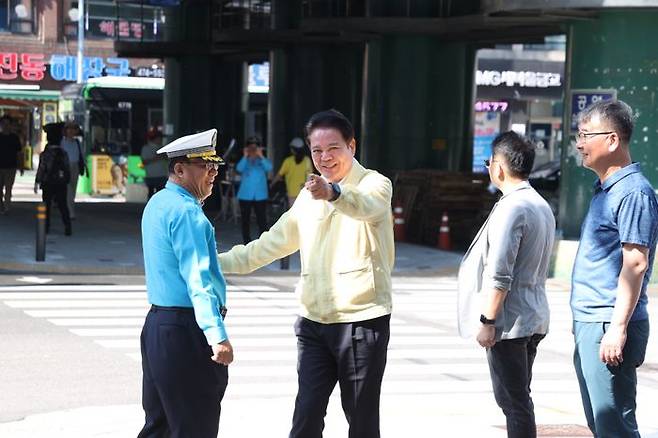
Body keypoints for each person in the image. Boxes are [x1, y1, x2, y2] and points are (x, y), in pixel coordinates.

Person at [219, 109, 394, 438]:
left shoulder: (375, 184)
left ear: (351, 146)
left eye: (333, 148)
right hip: (314, 322)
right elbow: (271, 244)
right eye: (317, 151)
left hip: (360, 320)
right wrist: (216, 264)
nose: (324, 157)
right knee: (306, 417)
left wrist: (335, 193)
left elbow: (369, 207)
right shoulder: (308, 196)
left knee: (362, 420)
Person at [457, 131, 555, 438]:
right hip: (533, 315)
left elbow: (500, 272)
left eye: (489, 162)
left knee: (513, 403)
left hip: (511, 323)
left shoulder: (512, 207)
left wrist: (488, 321)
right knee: (519, 397)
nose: (489, 168)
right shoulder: (539, 203)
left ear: (499, 166)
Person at [570, 99, 658, 438]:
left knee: (615, 427)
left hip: (609, 322)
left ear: (611, 140)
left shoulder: (633, 193)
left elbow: (635, 263)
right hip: (595, 320)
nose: (579, 144)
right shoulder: (609, 189)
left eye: (585, 134)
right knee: (602, 424)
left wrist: (616, 328)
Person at [138, 128, 232, 438]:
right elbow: (198, 279)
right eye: (206, 166)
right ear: (180, 169)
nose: (214, 172)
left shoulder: (158, 203)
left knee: (159, 426)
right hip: (186, 330)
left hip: (158, 326)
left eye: (215, 165)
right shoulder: (187, 213)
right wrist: (216, 334)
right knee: (194, 427)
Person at [35, 122, 72, 236]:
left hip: (48, 182)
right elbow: (67, 168)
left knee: (46, 205)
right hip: (61, 182)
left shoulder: (46, 154)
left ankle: (45, 227)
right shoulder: (63, 153)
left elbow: (42, 169)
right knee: (62, 205)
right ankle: (67, 226)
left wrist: (37, 181)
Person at [235, 135, 272, 244]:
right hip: (245, 195)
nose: (253, 150)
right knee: (245, 220)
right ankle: (246, 241)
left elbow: (269, 168)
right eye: (250, 147)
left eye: (255, 147)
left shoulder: (262, 160)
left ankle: (263, 242)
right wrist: (245, 156)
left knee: (262, 219)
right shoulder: (244, 160)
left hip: (260, 195)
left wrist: (261, 156)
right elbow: (239, 168)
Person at [270, 137, 314, 206]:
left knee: (293, 215)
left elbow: (279, 175)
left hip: (292, 193)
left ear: (293, 150)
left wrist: (272, 184)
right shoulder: (307, 160)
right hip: (304, 192)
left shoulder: (288, 161)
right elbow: (310, 176)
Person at [60, 121, 85, 219]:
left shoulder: (77, 143)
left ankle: (69, 207)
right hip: (66, 166)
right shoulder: (62, 142)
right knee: (68, 189)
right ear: (65, 131)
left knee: (73, 189)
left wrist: (84, 167)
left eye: (73, 129)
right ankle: (70, 211)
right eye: (69, 129)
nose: (71, 131)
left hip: (75, 166)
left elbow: (81, 155)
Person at [0, 115, 23, 214]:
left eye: (8, 124)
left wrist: (21, 166)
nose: (6, 126)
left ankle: (7, 206)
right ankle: (1, 205)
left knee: (9, 188)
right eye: (4, 123)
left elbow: (19, 153)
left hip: (11, 167)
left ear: (11, 125)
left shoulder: (15, 138)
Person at [141, 127, 168, 199]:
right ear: (154, 139)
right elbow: (144, 162)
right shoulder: (146, 148)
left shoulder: (162, 148)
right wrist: (157, 158)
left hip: (162, 175)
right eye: (159, 138)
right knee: (151, 193)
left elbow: (167, 159)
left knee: (161, 194)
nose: (161, 140)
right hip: (151, 175)